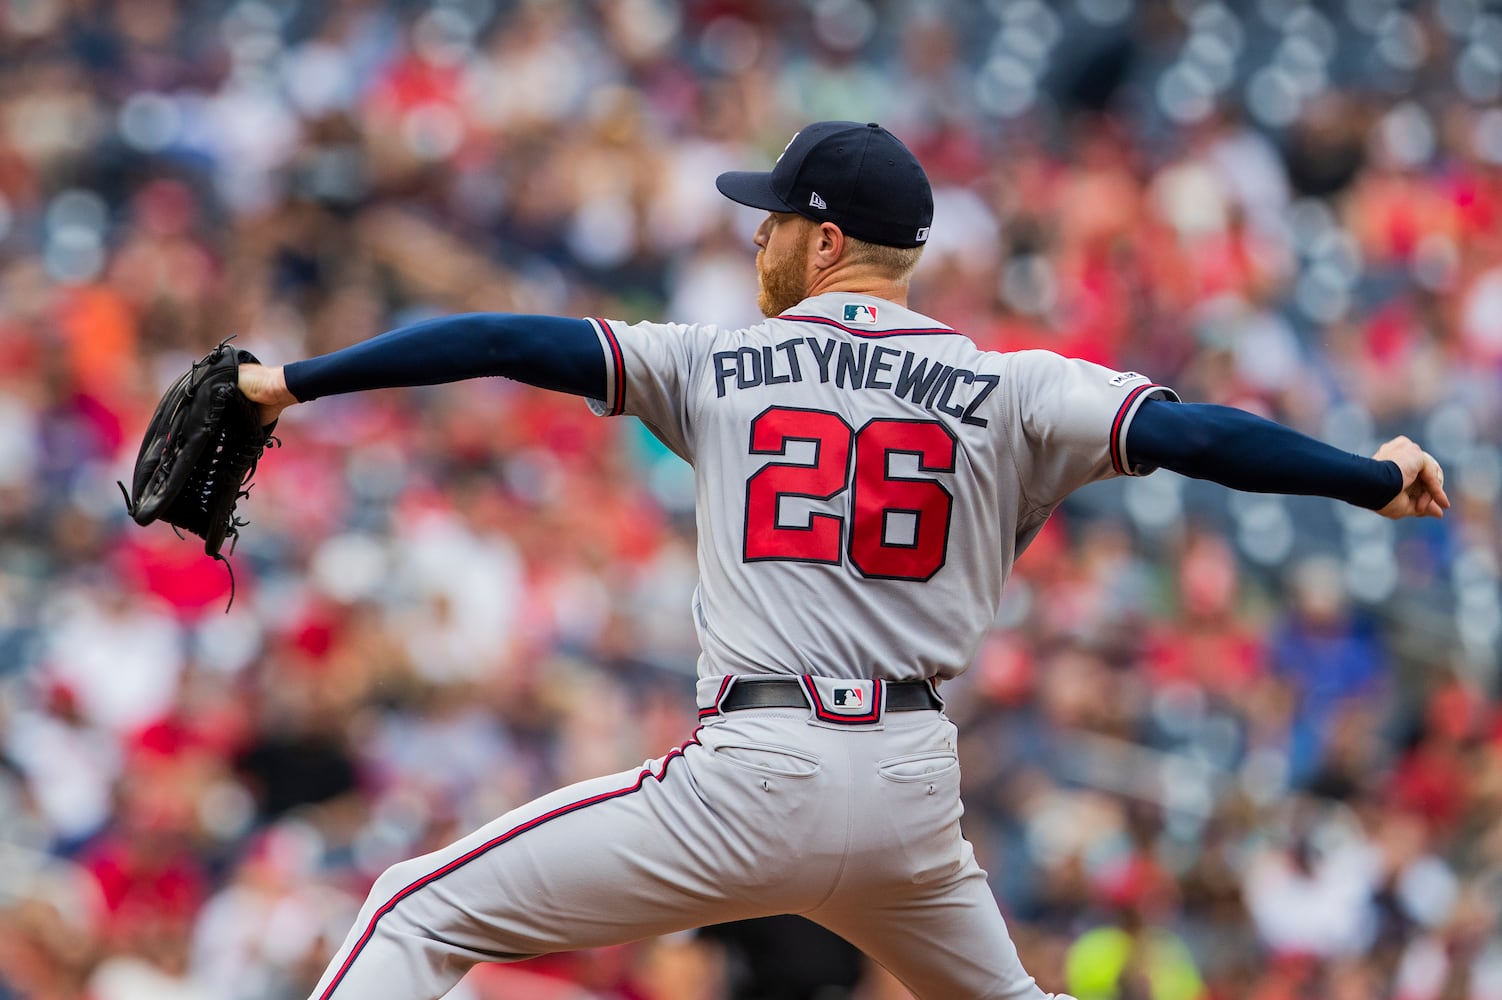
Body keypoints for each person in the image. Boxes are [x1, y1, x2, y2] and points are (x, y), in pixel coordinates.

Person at [236, 121, 1448, 1000]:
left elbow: (501, 337)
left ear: (821, 242)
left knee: (414, 909)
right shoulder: (1009, 384)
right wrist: (1367, 474)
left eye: (771, 216)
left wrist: (296, 379)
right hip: (911, 795)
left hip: (752, 772)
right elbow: (1194, 434)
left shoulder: (710, 358)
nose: (758, 234)